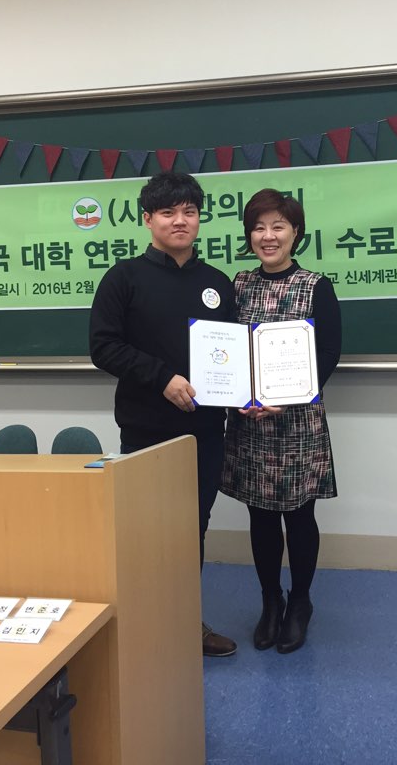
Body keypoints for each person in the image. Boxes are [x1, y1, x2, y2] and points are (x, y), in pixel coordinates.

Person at [89, 171, 237, 657]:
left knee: (191, 529)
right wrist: (162, 378)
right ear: (148, 219)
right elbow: (103, 347)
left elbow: (233, 356)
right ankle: (143, 627)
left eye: (189, 212)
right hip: (146, 431)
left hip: (204, 432)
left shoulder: (217, 283)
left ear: (199, 219)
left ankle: (184, 624)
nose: (180, 221)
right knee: (146, 532)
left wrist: (247, 394)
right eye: (168, 212)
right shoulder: (123, 278)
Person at [221, 188, 341, 654]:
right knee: (261, 515)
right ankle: (271, 600)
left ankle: (301, 602)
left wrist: (286, 399)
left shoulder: (315, 286)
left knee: (300, 514)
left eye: (278, 226)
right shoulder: (238, 285)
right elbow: (226, 351)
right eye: (258, 227)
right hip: (250, 421)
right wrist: (235, 396)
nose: (267, 236)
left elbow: (328, 352)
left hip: (297, 422)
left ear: (296, 233)